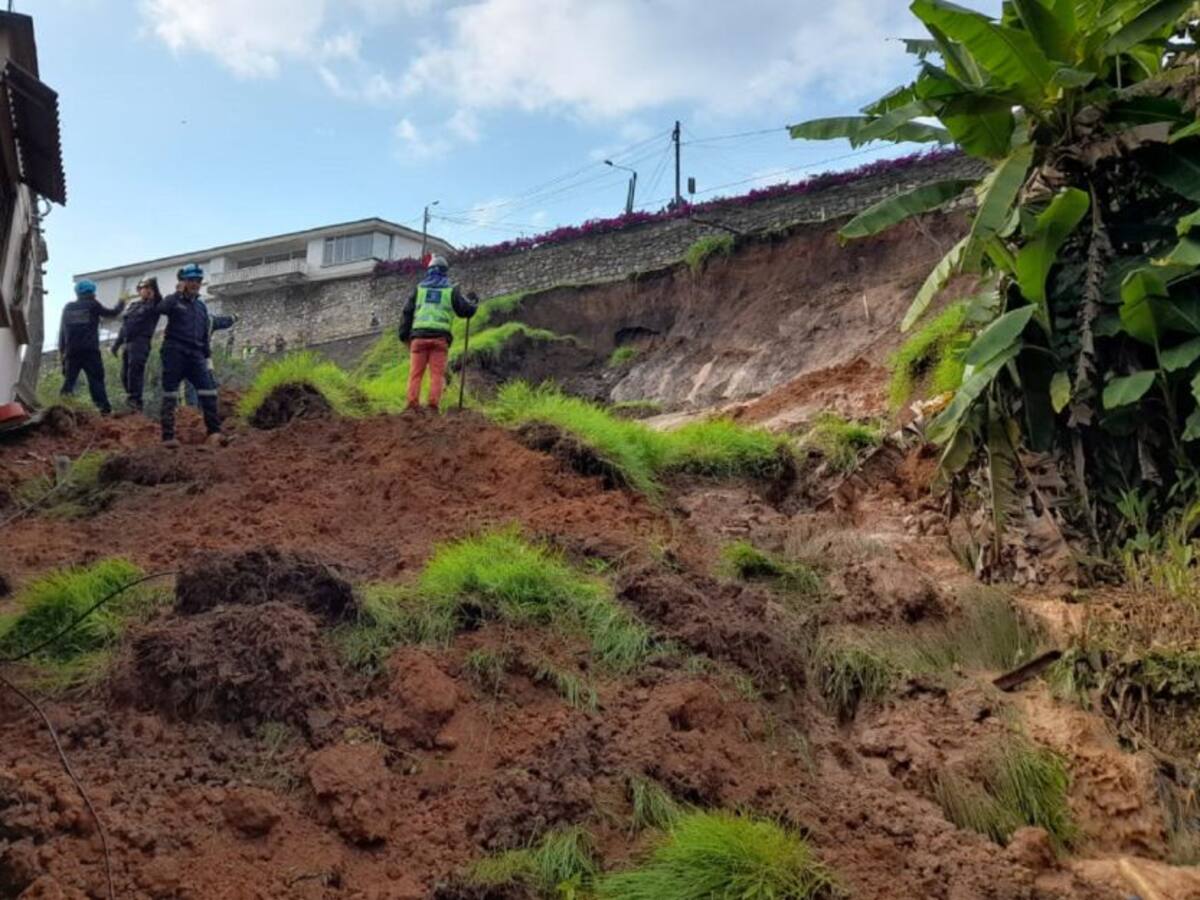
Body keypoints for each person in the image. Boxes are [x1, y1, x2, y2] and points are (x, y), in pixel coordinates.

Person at [398, 255, 477, 412]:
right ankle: (433, 407)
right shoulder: (451, 290)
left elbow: (407, 312)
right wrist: (473, 302)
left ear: (429, 271)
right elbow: (465, 311)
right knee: (436, 375)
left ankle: (412, 406)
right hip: (439, 340)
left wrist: (403, 335)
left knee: (415, 374)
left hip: (418, 339)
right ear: (445, 272)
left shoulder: (419, 289)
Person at [157, 263, 222, 447]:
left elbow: (204, 335)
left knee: (209, 391)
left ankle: (214, 433)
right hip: (174, 352)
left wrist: (207, 358)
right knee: (170, 394)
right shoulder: (174, 301)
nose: (195, 284)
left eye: (198, 280)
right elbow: (161, 308)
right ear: (184, 281)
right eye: (191, 280)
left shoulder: (201, 307)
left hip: (196, 355)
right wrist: (177, 293)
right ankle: (168, 437)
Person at [58, 280, 125, 414]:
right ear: (92, 292)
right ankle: (104, 411)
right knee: (96, 381)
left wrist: (62, 354)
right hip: (90, 352)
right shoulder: (93, 305)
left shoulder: (68, 307)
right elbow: (112, 313)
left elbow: (62, 332)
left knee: (69, 382)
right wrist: (122, 302)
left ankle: (61, 409)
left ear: (77, 292)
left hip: (72, 352)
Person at [110, 276, 162, 413]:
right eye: (142, 288)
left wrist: (153, 284)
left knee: (135, 372)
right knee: (124, 375)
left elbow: (158, 298)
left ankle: (135, 403)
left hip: (141, 342)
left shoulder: (154, 305)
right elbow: (125, 326)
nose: (144, 290)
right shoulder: (133, 306)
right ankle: (131, 401)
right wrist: (116, 344)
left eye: (147, 288)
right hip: (128, 343)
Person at [183, 297, 236, 407]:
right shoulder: (210, 320)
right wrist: (234, 317)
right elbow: (225, 321)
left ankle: (193, 411)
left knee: (191, 386)